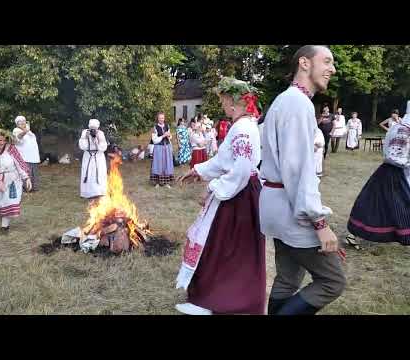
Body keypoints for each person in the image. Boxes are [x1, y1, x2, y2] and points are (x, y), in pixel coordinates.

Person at [260, 45, 346, 315]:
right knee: (332, 281)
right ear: (305, 63)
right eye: (327, 61)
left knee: (287, 278)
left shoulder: (287, 100)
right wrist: (319, 223)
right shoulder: (298, 104)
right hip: (291, 208)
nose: (332, 69)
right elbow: (298, 170)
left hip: (276, 204)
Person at [175, 76, 264, 315]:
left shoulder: (244, 128)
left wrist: (216, 188)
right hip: (237, 192)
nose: (223, 105)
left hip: (239, 196)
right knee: (221, 246)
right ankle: (211, 297)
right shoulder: (241, 125)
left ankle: (220, 301)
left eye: (224, 101)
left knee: (228, 248)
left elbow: (242, 169)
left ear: (233, 103)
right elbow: (224, 160)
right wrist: (198, 170)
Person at [347, 100, 410, 246]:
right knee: (382, 205)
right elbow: (395, 158)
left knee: (376, 204)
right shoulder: (403, 130)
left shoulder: (399, 127)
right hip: (395, 173)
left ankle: (355, 233)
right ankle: (355, 233)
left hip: (393, 172)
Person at [0, 122, 31, 232]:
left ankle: (5, 226)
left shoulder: (11, 148)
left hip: (12, 179)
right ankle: (3, 221)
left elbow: (20, 163)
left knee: (9, 201)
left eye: (4, 140)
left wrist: (26, 177)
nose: (2, 142)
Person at [79, 119, 108, 199]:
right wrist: (85, 138)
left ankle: (99, 192)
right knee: (88, 174)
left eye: (95, 128)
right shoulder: (85, 132)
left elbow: (104, 147)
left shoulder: (101, 133)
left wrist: (97, 141)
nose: (93, 130)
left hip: (98, 157)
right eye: (91, 128)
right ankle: (88, 193)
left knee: (99, 173)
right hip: (88, 156)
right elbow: (82, 146)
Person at [12, 116, 41, 192]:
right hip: (24, 158)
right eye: (20, 121)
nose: (22, 122)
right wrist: (25, 131)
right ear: (17, 123)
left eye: (23, 121)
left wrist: (27, 131)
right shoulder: (16, 130)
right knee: (26, 173)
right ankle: (26, 188)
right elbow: (18, 137)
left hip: (33, 157)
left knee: (34, 173)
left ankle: (34, 187)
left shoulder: (29, 131)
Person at [150, 112, 174, 188]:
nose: (161, 119)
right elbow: (154, 140)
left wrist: (169, 136)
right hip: (158, 148)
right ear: (158, 118)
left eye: (163, 118)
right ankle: (157, 182)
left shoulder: (167, 126)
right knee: (158, 164)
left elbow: (170, 137)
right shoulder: (155, 127)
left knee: (167, 164)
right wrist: (163, 136)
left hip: (167, 147)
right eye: (160, 118)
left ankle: (166, 182)